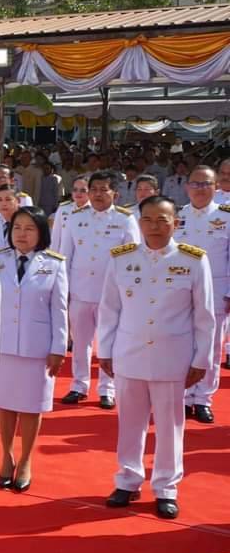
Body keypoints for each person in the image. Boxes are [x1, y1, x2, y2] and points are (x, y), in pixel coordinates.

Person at [99, 195, 215, 520]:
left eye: (162, 219)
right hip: (129, 352)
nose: (154, 226)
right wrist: (104, 350)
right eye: (148, 219)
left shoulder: (193, 260)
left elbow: (204, 316)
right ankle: (128, 479)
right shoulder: (122, 258)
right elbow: (109, 309)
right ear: (139, 222)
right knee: (130, 423)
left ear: (175, 223)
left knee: (170, 426)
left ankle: (166, 487)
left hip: (172, 357)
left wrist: (201, 359)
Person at [0, 207, 68, 492]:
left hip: (37, 346)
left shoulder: (55, 264)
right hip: (4, 344)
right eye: (17, 228)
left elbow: (59, 310)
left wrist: (59, 347)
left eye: (29, 228)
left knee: (31, 407)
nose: (22, 234)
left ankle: (25, 460)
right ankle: (6, 455)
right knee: (5, 403)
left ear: (41, 233)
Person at [59, 170, 141, 409]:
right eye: (93, 189)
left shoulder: (125, 219)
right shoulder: (75, 217)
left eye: (103, 190)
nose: (97, 194)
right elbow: (66, 255)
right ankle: (78, 385)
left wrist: (128, 293)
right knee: (81, 342)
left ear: (114, 193)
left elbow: (132, 259)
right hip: (81, 290)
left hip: (112, 295)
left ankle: (107, 389)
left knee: (108, 342)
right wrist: (64, 290)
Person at [174, 165, 229, 424]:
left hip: (217, 290)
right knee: (183, 344)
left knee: (212, 346)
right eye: (195, 184)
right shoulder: (177, 216)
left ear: (216, 186)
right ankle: (184, 397)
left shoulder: (226, 216)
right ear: (187, 187)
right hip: (180, 291)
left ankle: (203, 399)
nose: (200, 189)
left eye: (206, 184)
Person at [49, 176, 89, 252]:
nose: (78, 193)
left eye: (83, 190)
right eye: (75, 190)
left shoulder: (95, 211)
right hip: (64, 256)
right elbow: (55, 238)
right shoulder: (63, 209)